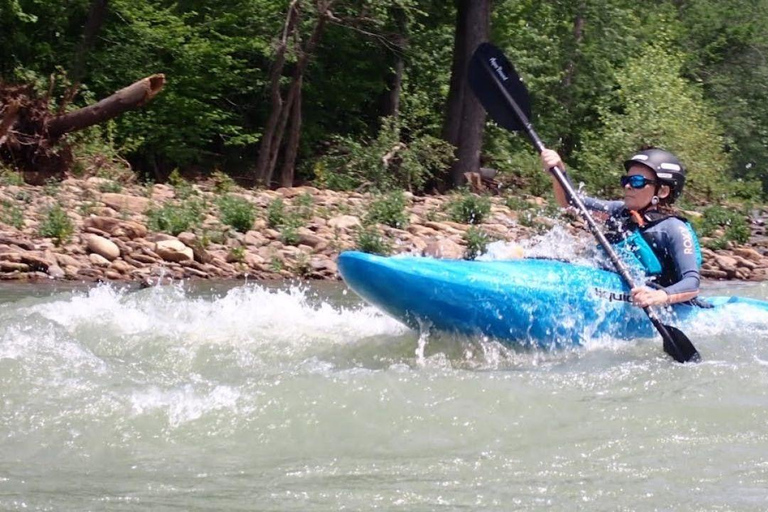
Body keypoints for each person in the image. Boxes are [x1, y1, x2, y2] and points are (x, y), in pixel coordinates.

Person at [540, 147, 705, 309]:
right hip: (613, 293)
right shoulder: (619, 212)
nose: (628, 186)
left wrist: (657, 297)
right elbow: (571, 203)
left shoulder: (673, 228)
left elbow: (691, 283)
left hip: (666, 306)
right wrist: (559, 171)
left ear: (662, 191)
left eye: (637, 181)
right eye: (626, 180)